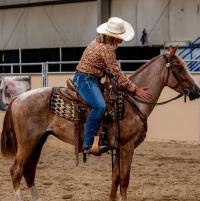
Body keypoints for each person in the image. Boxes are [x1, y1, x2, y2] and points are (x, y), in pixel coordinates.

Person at [73, 17, 152, 153]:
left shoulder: (97, 42)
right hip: (86, 79)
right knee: (100, 106)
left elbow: (110, 70)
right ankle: (88, 143)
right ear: (112, 37)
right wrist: (134, 90)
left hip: (89, 78)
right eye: (120, 36)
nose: (122, 39)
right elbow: (117, 73)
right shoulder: (107, 49)